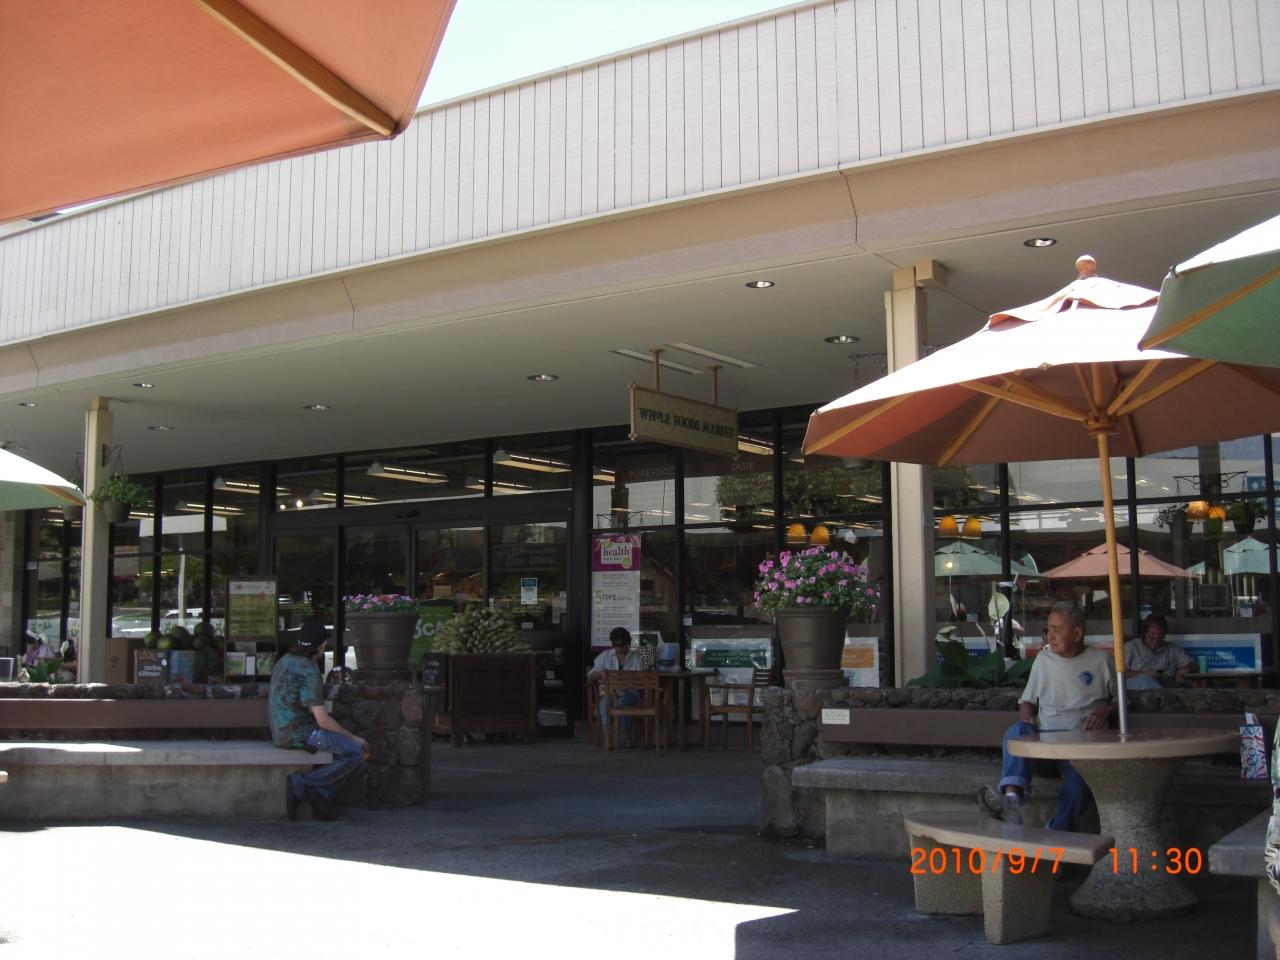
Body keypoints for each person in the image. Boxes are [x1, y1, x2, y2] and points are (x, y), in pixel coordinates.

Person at [978, 601, 1116, 828]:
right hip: (1044, 746)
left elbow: (1120, 699)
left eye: (1057, 630)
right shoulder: (1043, 659)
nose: (1050, 636)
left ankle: (1056, 834)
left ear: (1077, 634)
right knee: (1017, 731)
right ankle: (1011, 801)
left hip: (1081, 750)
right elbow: (1027, 700)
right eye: (1048, 629)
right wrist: (1027, 717)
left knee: (1079, 786)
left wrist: (1105, 710)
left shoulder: (1101, 661)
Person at [268, 621, 368, 821]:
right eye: (324, 643)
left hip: (280, 730)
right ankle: (303, 782)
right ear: (320, 646)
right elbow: (323, 721)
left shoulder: (285, 660)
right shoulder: (307, 669)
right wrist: (352, 737)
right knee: (355, 752)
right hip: (299, 733)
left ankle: (322, 794)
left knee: (344, 750)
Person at [586, 626, 641, 738]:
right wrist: (601, 674)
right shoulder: (605, 656)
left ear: (628, 643)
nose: (618, 648)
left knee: (623, 702)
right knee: (604, 703)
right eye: (615, 645)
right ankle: (607, 737)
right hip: (610, 693)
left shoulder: (636, 657)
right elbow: (590, 675)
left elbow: (642, 677)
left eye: (621, 645)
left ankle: (626, 735)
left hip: (629, 692)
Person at [1123, 613, 1195, 689]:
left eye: (1160, 634)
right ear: (1145, 633)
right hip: (1136, 690)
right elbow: (1120, 673)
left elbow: (1191, 663)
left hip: (1166, 686)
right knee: (1144, 679)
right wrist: (1144, 674)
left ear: (1165, 635)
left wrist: (1186, 668)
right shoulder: (1130, 647)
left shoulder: (1172, 648)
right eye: (1153, 633)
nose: (1156, 637)